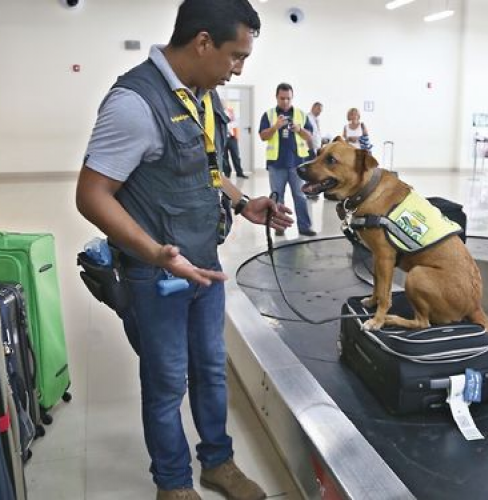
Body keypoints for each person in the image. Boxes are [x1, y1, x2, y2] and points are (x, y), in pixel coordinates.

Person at [75, 1, 293, 499]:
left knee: (212, 375)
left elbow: (205, 167)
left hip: (204, 270)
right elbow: (91, 194)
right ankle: (172, 483)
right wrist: (154, 253)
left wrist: (242, 203)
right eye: (235, 56)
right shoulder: (134, 103)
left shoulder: (199, 94)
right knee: (167, 383)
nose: (238, 68)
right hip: (158, 277)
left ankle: (218, 463)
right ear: (202, 42)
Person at [259, 83, 316, 236]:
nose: (285, 101)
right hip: (276, 164)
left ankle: (305, 227)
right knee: (277, 197)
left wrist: (299, 129)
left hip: (297, 164)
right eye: (282, 98)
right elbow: (263, 136)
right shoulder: (269, 115)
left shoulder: (301, 115)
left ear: (292, 98)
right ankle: (279, 227)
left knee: (300, 196)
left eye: (288, 98)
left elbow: (309, 136)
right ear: (276, 97)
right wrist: (275, 127)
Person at [223, 105, 248, 178]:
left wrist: (229, 123)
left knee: (236, 156)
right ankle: (227, 173)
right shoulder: (219, 112)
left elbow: (235, 123)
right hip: (223, 138)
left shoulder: (231, 112)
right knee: (224, 157)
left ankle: (239, 172)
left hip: (232, 137)